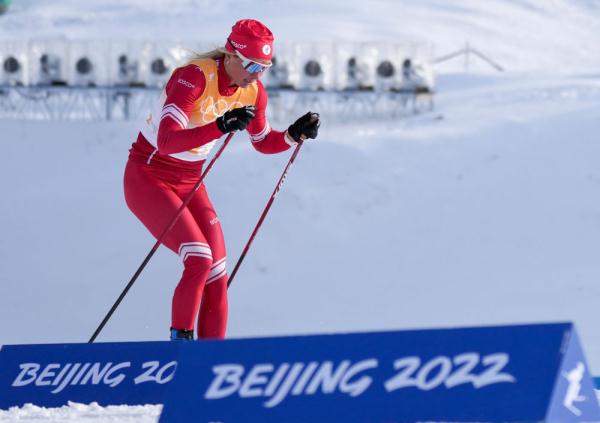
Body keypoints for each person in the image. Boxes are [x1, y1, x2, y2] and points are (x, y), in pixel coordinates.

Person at [123, 19, 320, 341]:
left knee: (217, 272)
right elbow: (167, 142)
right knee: (199, 258)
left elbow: (263, 142)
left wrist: (292, 135)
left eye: (264, 68)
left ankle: (211, 362)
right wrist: (219, 125)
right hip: (149, 175)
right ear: (230, 54)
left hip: (189, 180)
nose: (256, 74)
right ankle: (181, 348)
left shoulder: (253, 92)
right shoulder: (194, 78)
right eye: (251, 65)